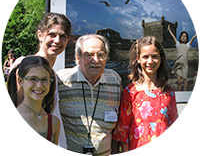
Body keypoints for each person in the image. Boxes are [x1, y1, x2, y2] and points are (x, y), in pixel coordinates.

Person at [1, 12, 71, 156]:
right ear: (40, 35)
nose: (57, 41)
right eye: (52, 34)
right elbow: (8, 109)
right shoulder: (24, 66)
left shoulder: (52, 74)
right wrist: (4, 148)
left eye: (62, 36)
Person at [113, 36, 183, 156]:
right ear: (138, 59)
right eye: (145, 57)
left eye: (154, 56)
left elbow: (173, 129)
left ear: (161, 59)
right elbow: (123, 130)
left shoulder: (168, 92)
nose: (150, 61)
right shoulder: (130, 92)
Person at [57, 34, 122, 156]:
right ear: (78, 58)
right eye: (89, 55)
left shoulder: (114, 80)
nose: (96, 60)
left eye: (101, 55)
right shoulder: (61, 81)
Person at [4, 56, 60, 156]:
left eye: (44, 79)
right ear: (21, 81)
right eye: (33, 79)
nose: (39, 85)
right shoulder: (14, 123)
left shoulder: (54, 122)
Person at [168, 25, 199, 91]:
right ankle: (179, 93)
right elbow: (173, 37)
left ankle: (185, 93)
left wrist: (198, 32)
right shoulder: (178, 44)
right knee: (179, 81)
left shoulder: (187, 45)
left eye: (185, 36)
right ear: (180, 38)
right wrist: (169, 30)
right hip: (179, 64)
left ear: (187, 39)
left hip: (185, 65)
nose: (184, 37)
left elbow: (193, 38)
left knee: (185, 80)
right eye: (182, 36)